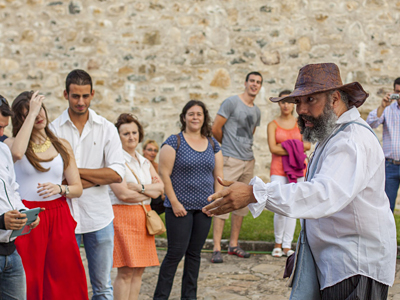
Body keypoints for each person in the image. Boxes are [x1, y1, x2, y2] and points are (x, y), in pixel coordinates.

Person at [203, 63, 396, 299]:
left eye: (310, 100)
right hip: (338, 263)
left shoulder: (351, 140)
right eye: (298, 103)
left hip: (354, 266)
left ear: (335, 98)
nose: (301, 110)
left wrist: (256, 193)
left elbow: (322, 195)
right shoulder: (334, 137)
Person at [51, 69, 125, 299]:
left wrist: (74, 173)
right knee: (64, 284)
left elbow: (116, 173)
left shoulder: (106, 128)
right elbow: (55, 179)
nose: (81, 101)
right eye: (75, 96)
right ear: (65, 94)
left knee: (103, 288)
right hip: (65, 216)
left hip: (99, 217)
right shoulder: (53, 130)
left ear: (92, 94)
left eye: (85, 96)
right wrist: (94, 177)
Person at [5, 91, 87, 299]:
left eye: (39, 109)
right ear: (20, 119)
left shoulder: (62, 144)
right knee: (30, 277)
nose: (38, 115)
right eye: (27, 113)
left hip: (59, 214)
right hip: (29, 216)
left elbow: (77, 188)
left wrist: (60, 189)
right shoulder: (11, 145)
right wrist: (31, 114)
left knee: (64, 275)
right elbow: (17, 154)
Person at [153, 100, 223, 300]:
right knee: (174, 255)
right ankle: (160, 297)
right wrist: (174, 203)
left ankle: (189, 297)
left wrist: (214, 203)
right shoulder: (174, 142)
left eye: (199, 114)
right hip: (179, 209)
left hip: (204, 209)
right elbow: (164, 174)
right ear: (184, 117)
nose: (195, 117)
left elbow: (219, 176)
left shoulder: (212, 144)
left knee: (194, 255)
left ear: (204, 117)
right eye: (191, 114)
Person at [109, 114, 163, 300]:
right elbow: (122, 194)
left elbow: (160, 190)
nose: (131, 137)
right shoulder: (116, 161)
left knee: (139, 270)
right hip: (122, 216)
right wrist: (149, 191)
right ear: (118, 136)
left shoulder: (144, 161)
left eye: (134, 132)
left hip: (144, 216)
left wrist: (139, 188)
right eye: (126, 133)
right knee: (125, 271)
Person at [210, 71, 262, 263]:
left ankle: (233, 244)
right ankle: (216, 247)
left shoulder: (256, 111)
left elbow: (251, 133)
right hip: (231, 159)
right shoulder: (231, 102)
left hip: (248, 160)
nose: (254, 85)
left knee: (241, 202)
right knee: (222, 200)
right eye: (252, 81)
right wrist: (229, 148)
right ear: (245, 83)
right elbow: (216, 128)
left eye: (258, 82)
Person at [0, 97, 40, 299]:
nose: (1, 134)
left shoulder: (3, 151)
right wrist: (0, 221)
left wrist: (25, 212)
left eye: (4, 128)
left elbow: (12, 190)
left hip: (10, 252)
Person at [267, 90, 310, 258]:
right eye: (283, 102)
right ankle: (277, 243)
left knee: (293, 206)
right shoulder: (272, 124)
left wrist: (285, 146)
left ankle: (287, 245)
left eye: (289, 102)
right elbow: (272, 148)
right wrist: (294, 147)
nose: (286, 105)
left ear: (294, 104)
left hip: (298, 169)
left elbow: (307, 145)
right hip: (278, 169)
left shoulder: (301, 123)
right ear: (279, 104)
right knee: (279, 206)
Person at [366, 77, 400, 212]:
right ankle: (388, 233)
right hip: (390, 165)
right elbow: (370, 124)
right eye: (397, 92)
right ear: (393, 92)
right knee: (386, 206)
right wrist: (382, 106)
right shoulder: (387, 109)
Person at [142, 140, 165, 214]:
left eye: (155, 150)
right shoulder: (139, 166)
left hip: (158, 200)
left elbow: (162, 185)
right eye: (150, 150)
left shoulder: (158, 167)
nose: (153, 153)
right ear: (143, 151)